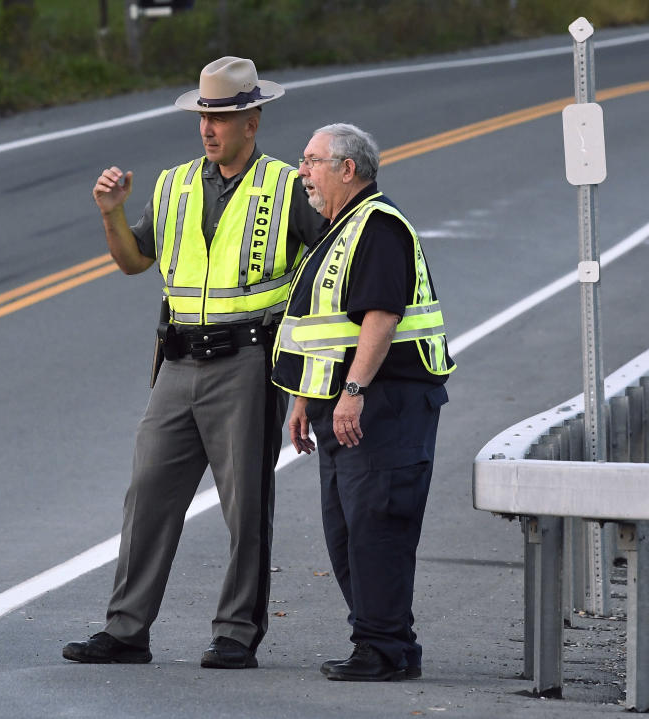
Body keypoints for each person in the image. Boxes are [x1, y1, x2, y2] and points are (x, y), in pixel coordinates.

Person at [62, 57, 322, 669]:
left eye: (222, 118)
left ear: (252, 121)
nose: (208, 129)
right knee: (147, 494)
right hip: (177, 364)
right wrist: (111, 213)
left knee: (244, 505)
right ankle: (126, 631)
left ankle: (236, 634)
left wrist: (310, 361)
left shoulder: (287, 185)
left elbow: (331, 261)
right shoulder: (175, 182)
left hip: (249, 361)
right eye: (204, 116)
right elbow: (135, 262)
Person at [271, 123, 455, 681]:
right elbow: (325, 329)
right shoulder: (338, 229)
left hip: (384, 405)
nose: (301, 171)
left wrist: (352, 394)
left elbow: (380, 317)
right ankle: (379, 641)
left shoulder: (377, 226)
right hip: (342, 405)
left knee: (378, 527)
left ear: (347, 168)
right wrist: (305, 400)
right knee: (348, 530)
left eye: (311, 161)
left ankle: (385, 650)